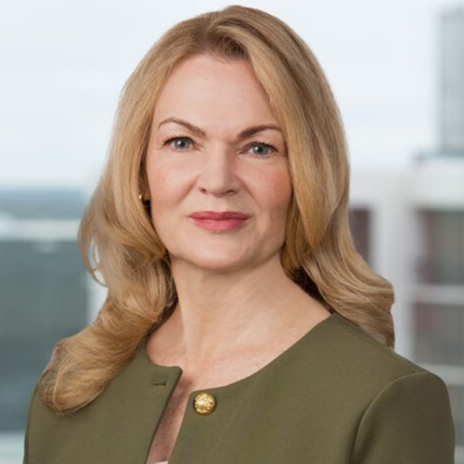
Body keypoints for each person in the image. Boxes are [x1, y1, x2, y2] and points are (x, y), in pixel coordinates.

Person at [22, 5, 455, 464]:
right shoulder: (72, 386)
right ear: (141, 172)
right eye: (182, 142)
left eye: (259, 147)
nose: (217, 180)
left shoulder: (384, 399)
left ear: (305, 175)